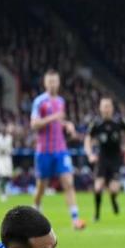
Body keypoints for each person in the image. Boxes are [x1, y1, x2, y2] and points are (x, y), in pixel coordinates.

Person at [31, 70, 86, 230]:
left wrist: (67, 125)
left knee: (68, 183)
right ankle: (35, 209)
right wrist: (53, 117)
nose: (52, 84)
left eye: (55, 81)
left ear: (59, 82)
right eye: (50, 81)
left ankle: (75, 219)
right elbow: (34, 124)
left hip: (60, 149)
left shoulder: (61, 101)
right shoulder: (39, 101)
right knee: (41, 187)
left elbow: (58, 121)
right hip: (43, 150)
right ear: (45, 83)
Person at [84, 97, 125, 221]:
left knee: (114, 189)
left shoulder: (119, 121)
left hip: (116, 158)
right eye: (104, 106)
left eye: (108, 106)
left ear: (112, 108)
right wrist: (90, 154)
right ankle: (97, 214)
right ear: (100, 108)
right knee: (98, 187)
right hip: (102, 158)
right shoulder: (96, 123)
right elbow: (87, 139)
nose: (106, 109)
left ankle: (113, 200)